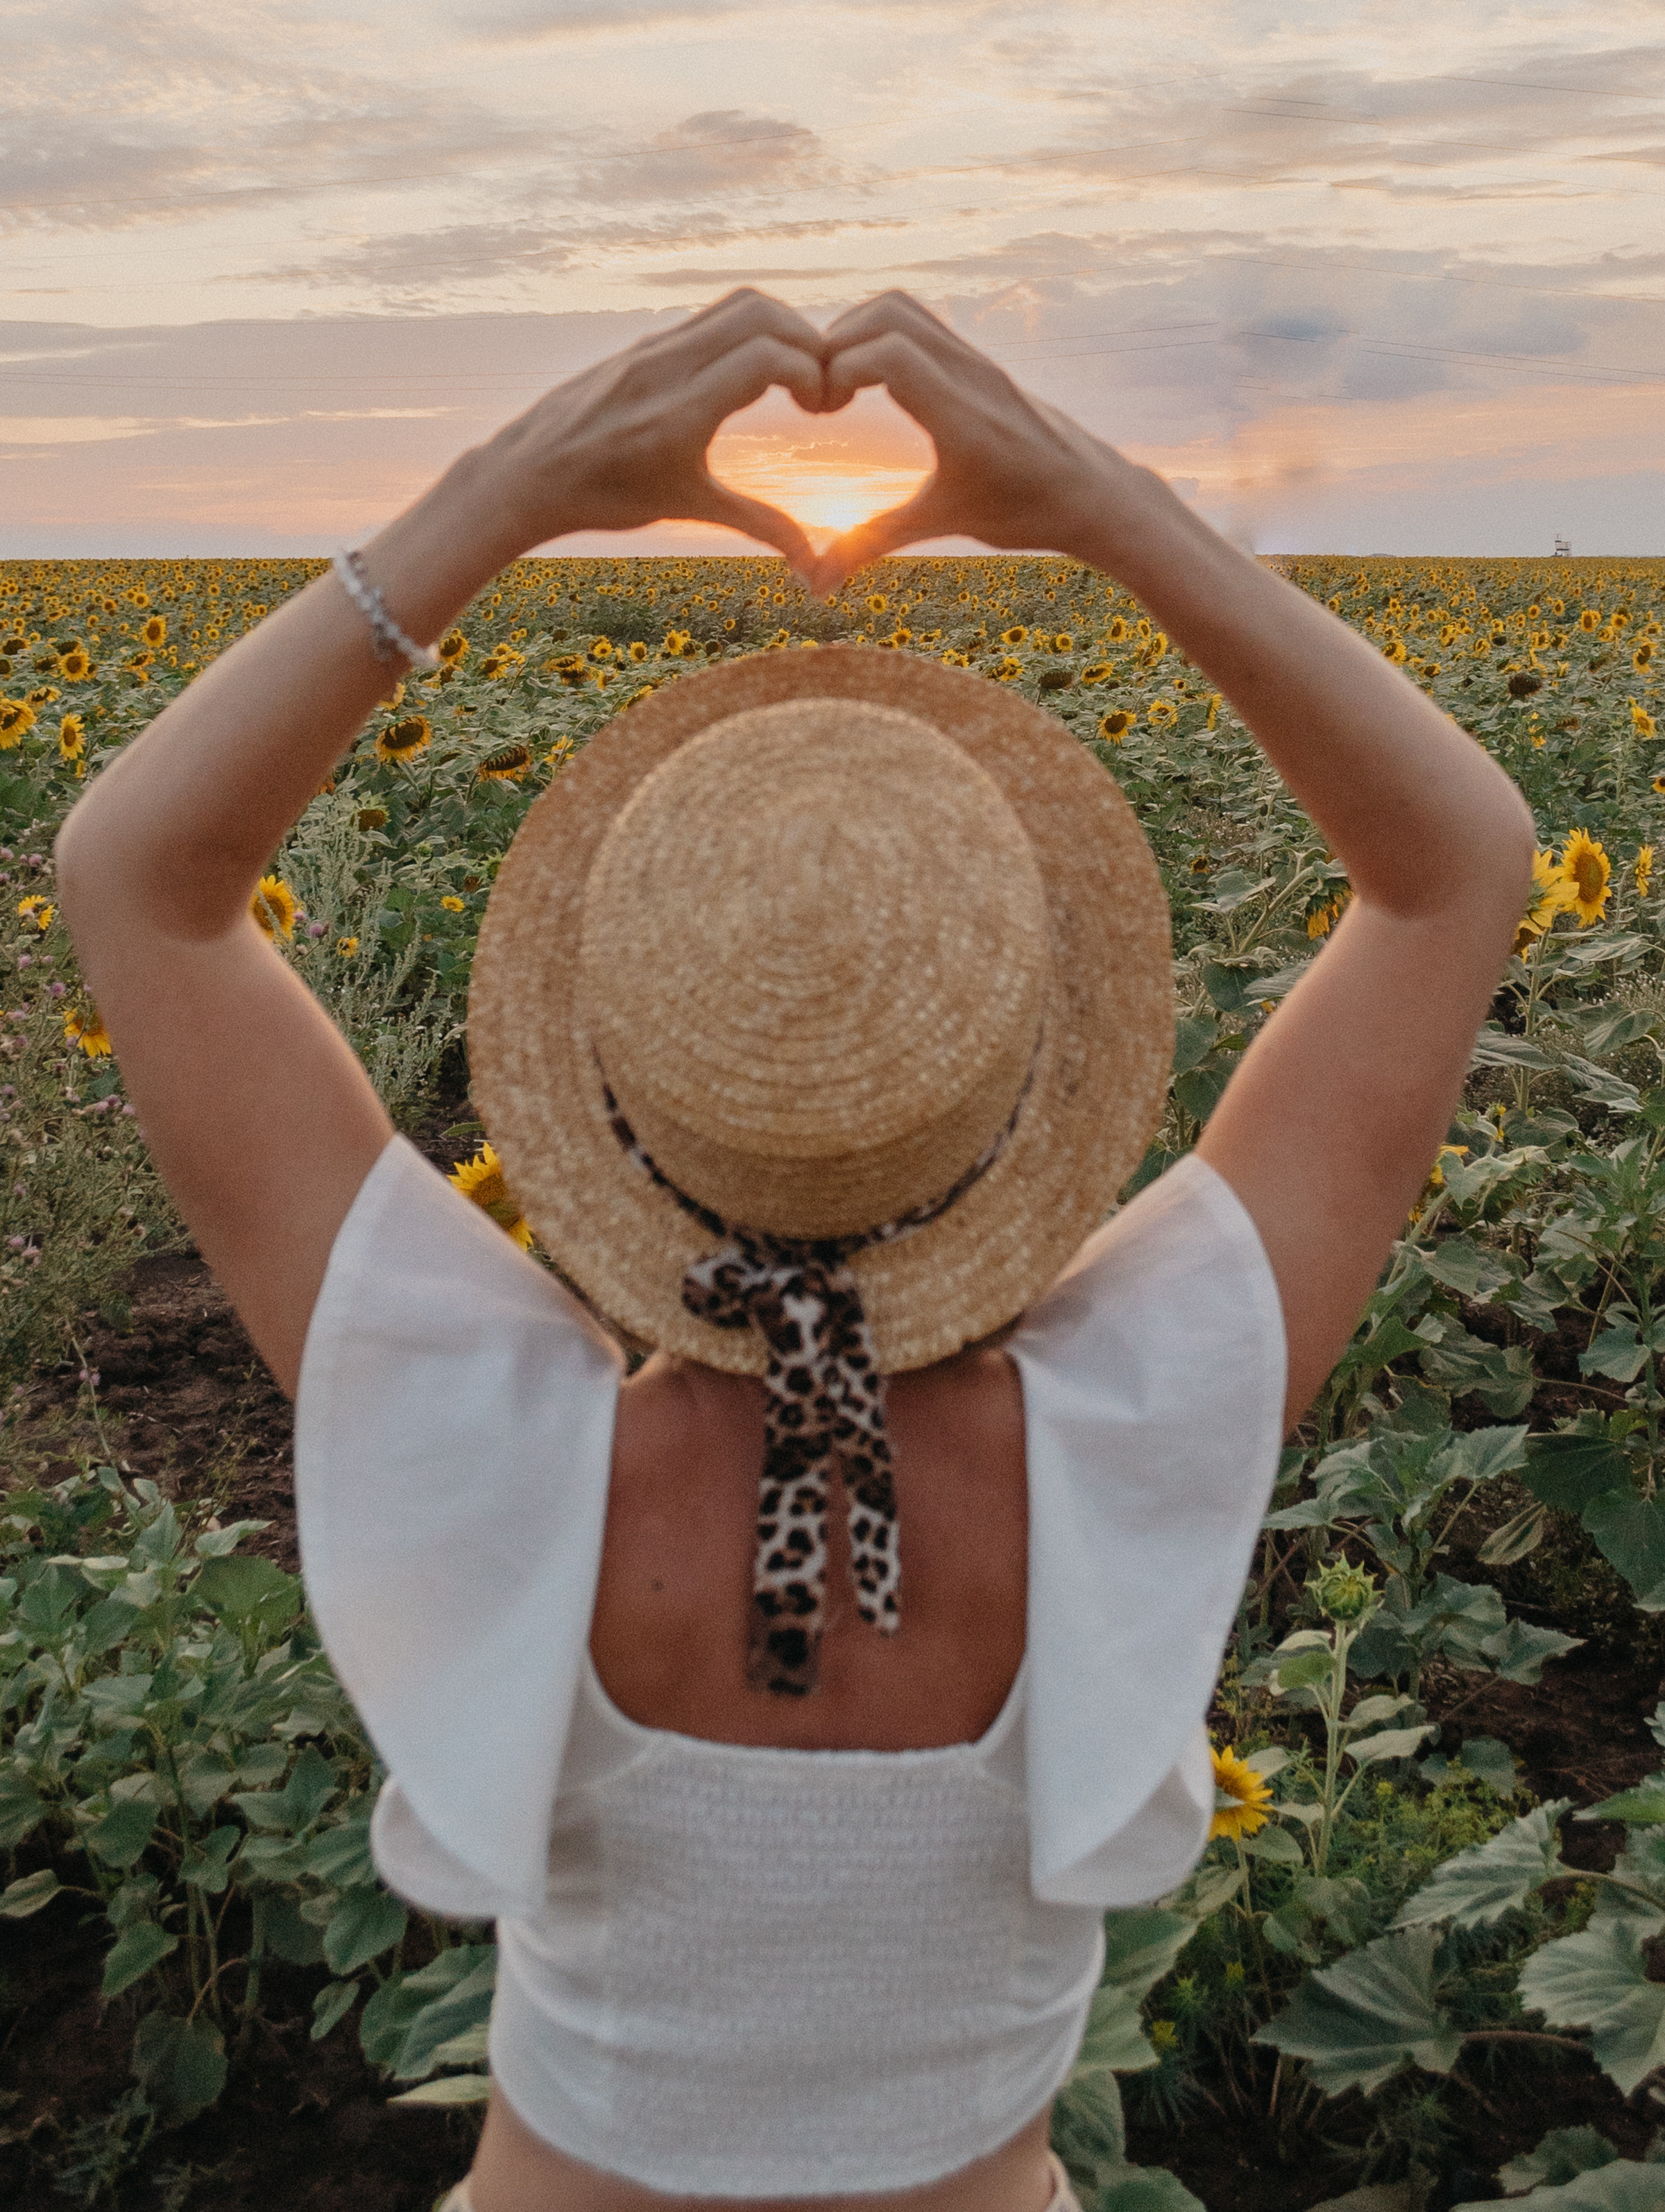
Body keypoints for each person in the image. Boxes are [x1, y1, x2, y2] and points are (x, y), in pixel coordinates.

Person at [55, 288, 1532, 2212]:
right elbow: (1460, 871)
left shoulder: (496, 1454)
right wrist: (1106, 503)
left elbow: (137, 885)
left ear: (596, 1090)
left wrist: (508, 491)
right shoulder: (1131, 1423)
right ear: (1037, 1086)